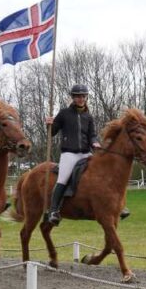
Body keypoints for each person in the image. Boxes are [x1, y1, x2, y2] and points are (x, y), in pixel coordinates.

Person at [45, 84, 129, 225]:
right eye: (78, 96)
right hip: (69, 154)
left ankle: (118, 206)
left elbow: (92, 135)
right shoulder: (64, 113)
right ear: (73, 97)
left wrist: (95, 143)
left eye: (83, 96)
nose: (81, 99)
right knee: (63, 179)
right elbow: (52, 132)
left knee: (104, 173)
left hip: (85, 153)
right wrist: (49, 124)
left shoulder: (88, 116)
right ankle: (53, 210)